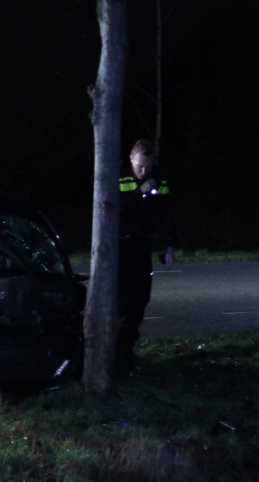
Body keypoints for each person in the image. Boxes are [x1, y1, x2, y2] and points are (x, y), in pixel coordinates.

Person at [116, 139, 176, 376]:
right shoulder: (117, 175)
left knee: (141, 299)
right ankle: (116, 355)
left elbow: (166, 213)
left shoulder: (158, 179)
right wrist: (139, 193)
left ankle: (126, 351)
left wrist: (170, 246)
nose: (143, 172)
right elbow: (113, 211)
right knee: (121, 302)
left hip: (142, 246)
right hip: (118, 247)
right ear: (131, 159)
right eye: (140, 166)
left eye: (148, 167)